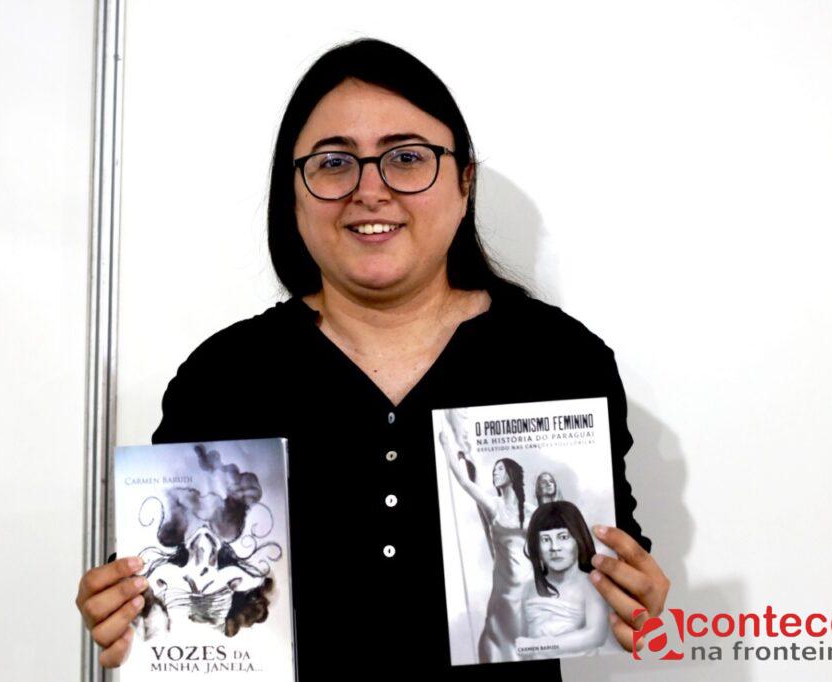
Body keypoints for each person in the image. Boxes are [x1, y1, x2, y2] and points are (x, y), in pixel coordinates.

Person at [74, 37, 670, 680]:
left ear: (465, 181)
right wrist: (124, 605)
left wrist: (629, 594)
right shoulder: (223, 377)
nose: (370, 190)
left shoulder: (558, 359)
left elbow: (610, 563)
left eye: (406, 158)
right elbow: (174, 591)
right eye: (334, 163)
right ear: (293, 193)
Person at [438, 428, 536, 663]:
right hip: (505, 589)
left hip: (530, 586)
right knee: (501, 645)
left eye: (500, 469)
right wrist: (446, 446)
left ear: (511, 474)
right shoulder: (493, 505)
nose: (495, 472)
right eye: (494, 469)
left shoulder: (532, 511)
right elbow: (465, 482)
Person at [515, 501, 608, 659]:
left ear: (578, 539)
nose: (555, 547)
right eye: (545, 539)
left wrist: (538, 645)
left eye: (563, 537)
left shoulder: (591, 584)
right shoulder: (529, 589)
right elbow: (523, 643)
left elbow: (596, 635)